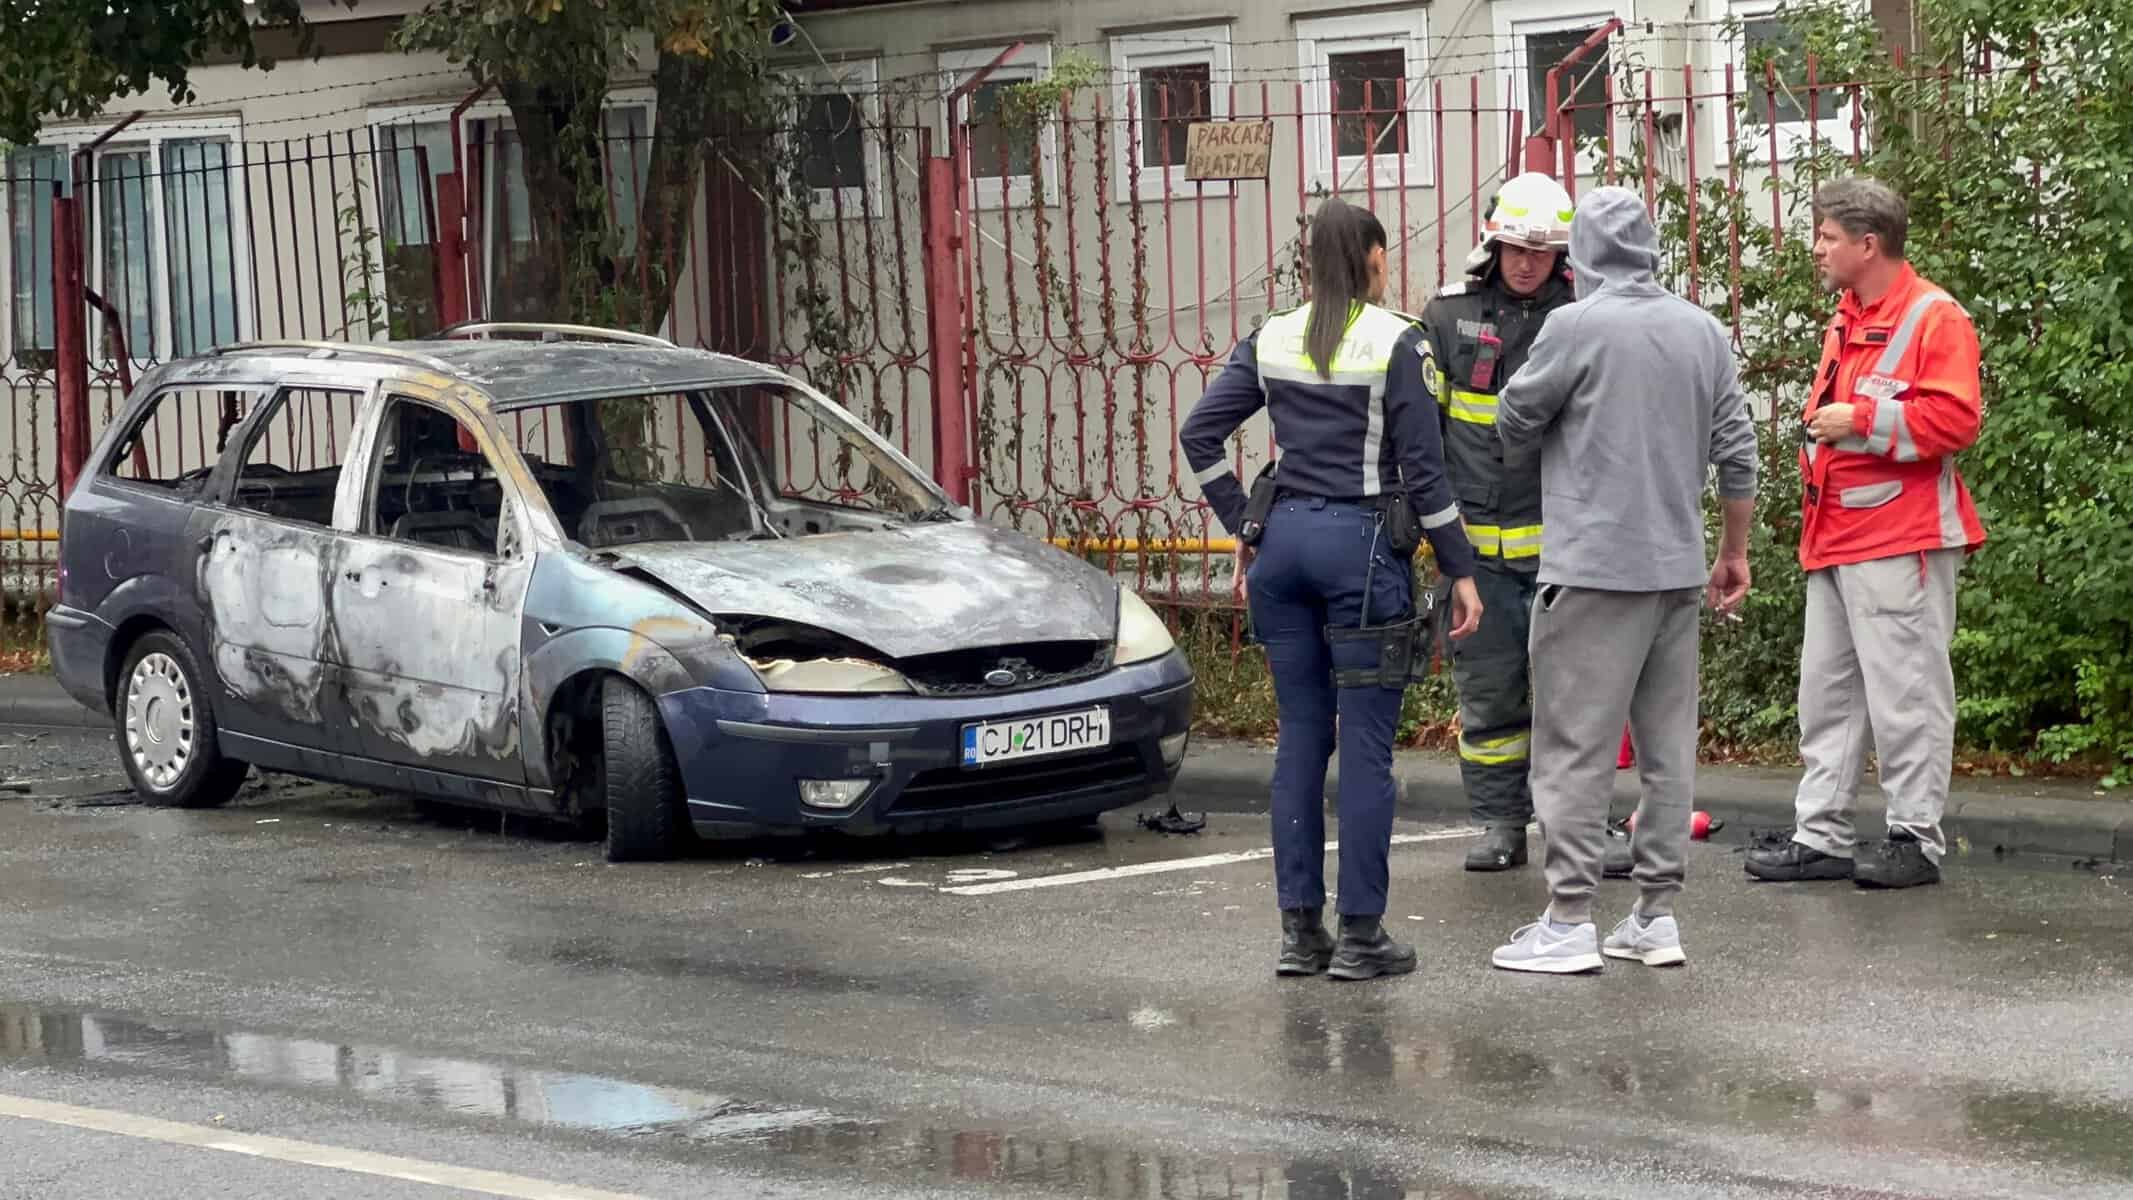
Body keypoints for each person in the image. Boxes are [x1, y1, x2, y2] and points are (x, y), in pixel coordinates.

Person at [1181, 197, 1483, 982]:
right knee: (1366, 750)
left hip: (1282, 552)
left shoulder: (1272, 335)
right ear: (1373, 261)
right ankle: (1359, 937)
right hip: (1361, 555)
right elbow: (1424, 470)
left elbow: (1199, 434)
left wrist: (1243, 523)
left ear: (1311, 264)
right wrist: (1458, 567)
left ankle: (1297, 934)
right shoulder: (1398, 342)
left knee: (1300, 740)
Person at [1484, 186, 1759, 974]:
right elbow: (1736, 450)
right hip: (1676, 571)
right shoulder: (1702, 331)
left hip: (1592, 572)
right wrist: (1730, 552)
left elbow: (1513, 420)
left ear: (1583, 258)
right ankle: (1653, 915)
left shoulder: (1575, 325)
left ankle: (1568, 919)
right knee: (1667, 751)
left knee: (1574, 746)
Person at [1745, 177, 1985, 890]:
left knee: (1905, 696)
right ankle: (1821, 834)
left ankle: (1915, 838)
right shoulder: (1849, 314)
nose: (1816, 249)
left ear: (1866, 244)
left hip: (1899, 537)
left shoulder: (1933, 317)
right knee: (1828, 697)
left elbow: (1955, 423)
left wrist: (1859, 422)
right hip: (1839, 535)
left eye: (1825, 237)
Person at [1415, 172, 1630, 879]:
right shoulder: (1446, 320)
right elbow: (1424, 435)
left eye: (1541, 251)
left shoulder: (1586, 315)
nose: (1527, 261)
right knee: (1489, 701)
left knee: (1577, 701)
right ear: (1493, 242)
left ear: (1563, 255)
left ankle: (1584, 825)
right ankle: (1500, 823)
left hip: (1565, 554)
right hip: (1475, 559)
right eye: (1515, 247)